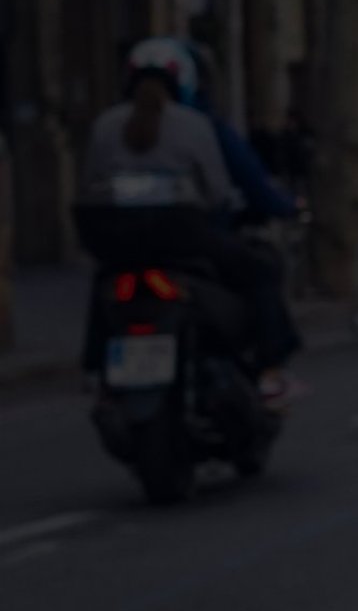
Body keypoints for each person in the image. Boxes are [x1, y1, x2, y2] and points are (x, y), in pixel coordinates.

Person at [76, 44, 299, 396]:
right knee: (260, 268)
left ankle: (92, 365)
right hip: (182, 240)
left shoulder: (105, 125)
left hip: (115, 242)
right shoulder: (194, 126)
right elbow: (217, 192)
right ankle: (271, 367)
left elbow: (87, 185)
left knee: (104, 282)